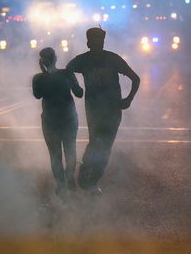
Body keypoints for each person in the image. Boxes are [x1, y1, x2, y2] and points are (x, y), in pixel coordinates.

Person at [67, 27, 140, 195]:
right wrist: (76, 87)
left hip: (109, 109)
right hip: (98, 109)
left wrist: (128, 99)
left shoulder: (108, 59)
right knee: (100, 144)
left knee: (101, 144)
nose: (97, 44)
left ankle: (91, 178)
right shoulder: (97, 59)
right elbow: (68, 70)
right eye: (95, 41)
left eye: (98, 41)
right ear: (90, 42)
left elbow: (135, 78)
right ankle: (88, 177)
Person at [32, 47, 83, 201]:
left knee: (55, 154)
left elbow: (37, 94)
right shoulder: (66, 74)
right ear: (55, 58)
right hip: (67, 119)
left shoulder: (39, 78)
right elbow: (79, 93)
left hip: (50, 120)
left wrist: (45, 74)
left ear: (42, 61)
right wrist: (71, 77)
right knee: (70, 150)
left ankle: (61, 184)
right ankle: (69, 179)